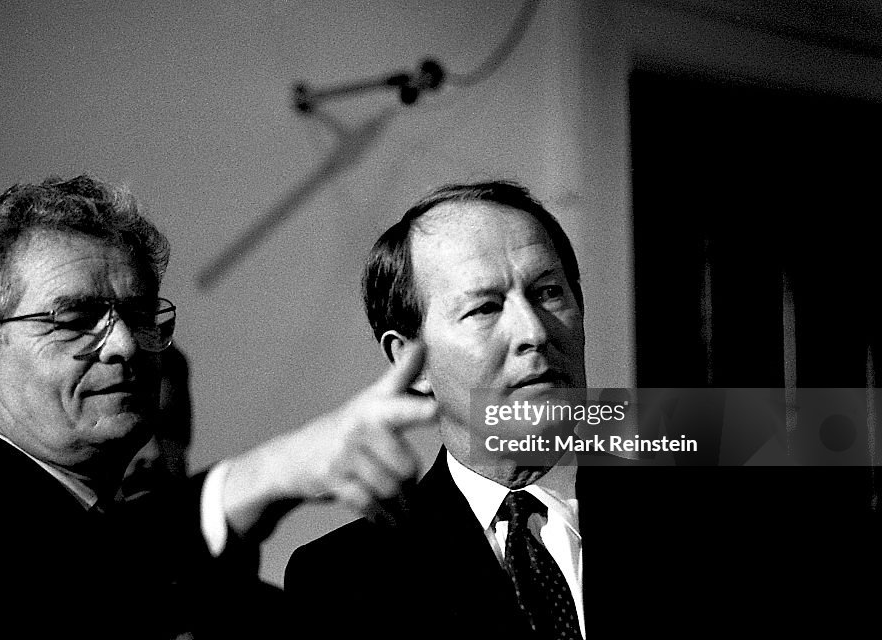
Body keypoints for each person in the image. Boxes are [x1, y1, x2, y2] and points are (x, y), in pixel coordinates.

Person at [284, 181, 879, 637]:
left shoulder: (726, 494)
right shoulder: (343, 581)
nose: (535, 332)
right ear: (408, 363)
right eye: (485, 308)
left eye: (548, 293)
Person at [0, 175, 436, 637]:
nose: (127, 345)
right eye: (74, 319)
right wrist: (262, 476)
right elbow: (42, 608)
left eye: (138, 314)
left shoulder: (215, 588)